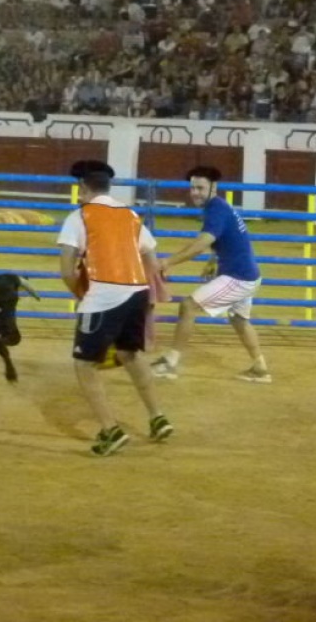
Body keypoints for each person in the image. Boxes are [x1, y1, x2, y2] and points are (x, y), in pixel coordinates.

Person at [57, 160, 173, 457]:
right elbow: (151, 257)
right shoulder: (131, 215)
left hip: (103, 295)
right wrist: (148, 296)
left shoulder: (79, 217)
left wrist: (82, 297)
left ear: (83, 188)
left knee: (84, 364)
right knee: (129, 354)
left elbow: (67, 269)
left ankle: (111, 429)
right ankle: (157, 417)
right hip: (137, 291)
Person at [150, 166, 271, 384]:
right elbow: (226, 238)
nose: (195, 192)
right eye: (192, 188)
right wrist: (213, 259)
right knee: (239, 319)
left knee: (188, 306)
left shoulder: (216, 209)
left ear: (213, 187)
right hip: (246, 274)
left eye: (200, 187)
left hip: (238, 276)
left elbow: (202, 242)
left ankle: (170, 362)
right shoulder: (219, 207)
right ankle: (260, 368)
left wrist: (168, 261)